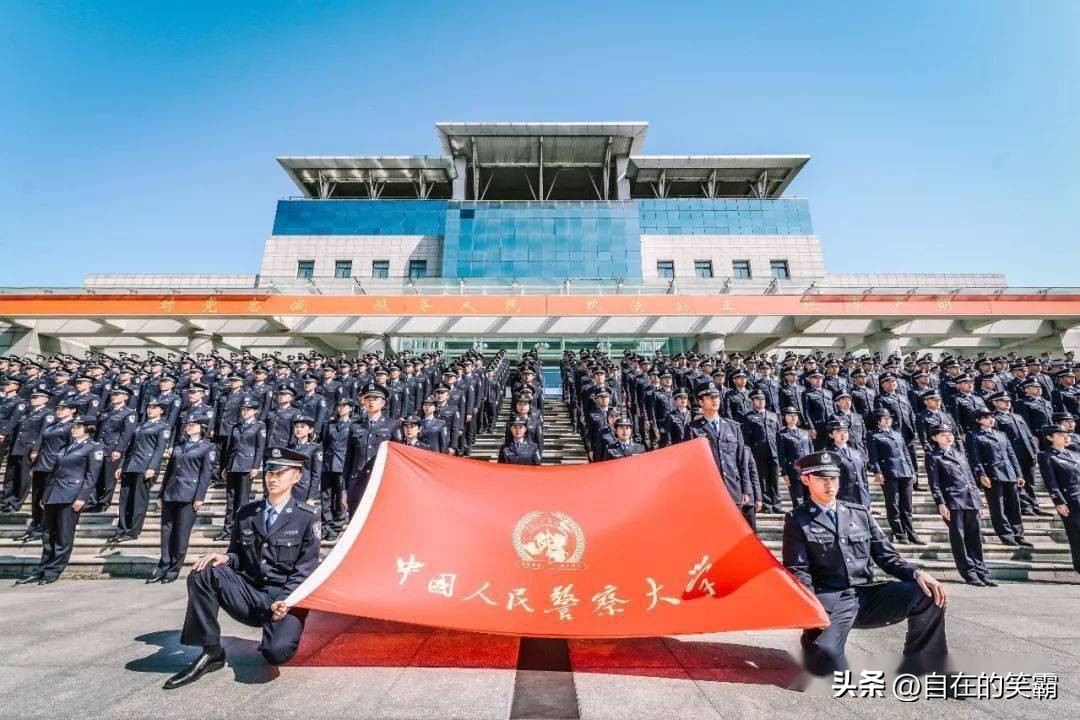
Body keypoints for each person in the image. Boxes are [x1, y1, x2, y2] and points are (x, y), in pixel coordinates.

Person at [163, 447, 320, 689]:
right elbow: (238, 555)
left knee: (276, 653)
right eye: (270, 472)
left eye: (281, 473)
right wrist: (226, 559)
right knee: (204, 571)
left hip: (285, 600)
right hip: (251, 595)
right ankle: (212, 651)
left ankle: (275, 634)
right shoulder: (247, 513)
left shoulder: (307, 517)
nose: (273, 478)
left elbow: (306, 569)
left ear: (296, 477)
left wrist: (287, 601)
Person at [782, 451, 948, 676]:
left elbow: (887, 557)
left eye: (833, 479)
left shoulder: (859, 513)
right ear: (805, 480)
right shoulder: (797, 520)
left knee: (929, 594)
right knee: (828, 672)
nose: (829, 485)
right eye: (822, 479)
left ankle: (923, 666)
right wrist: (813, 611)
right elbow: (798, 570)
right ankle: (813, 639)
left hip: (867, 597)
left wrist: (917, 573)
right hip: (831, 603)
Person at [17, 415, 103, 585]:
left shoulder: (94, 447)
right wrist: (45, 496)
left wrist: (82, 498)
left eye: (78, 427)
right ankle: (42, 568)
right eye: (73, 427)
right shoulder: (66, 446)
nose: (74, 429)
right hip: (54, 494)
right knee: (47, 533)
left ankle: (54, 569)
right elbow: (55, 473)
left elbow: (91, 477)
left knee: (63, 535)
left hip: (71, 495)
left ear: (88, 429)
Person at [151, 412, 215, 583]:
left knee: (181, 534)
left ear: (202, 428)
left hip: (189, 494)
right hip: (171, 493)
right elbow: (169, 471)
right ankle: (163, 565)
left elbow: (206, 473)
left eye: (193, 425)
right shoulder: (180, 445)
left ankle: (173, 569)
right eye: (188, 424)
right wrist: (161, 493)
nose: (189, 427)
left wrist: (199, 496)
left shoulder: (207, 447)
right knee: (166, 532)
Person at [924, 426, 993, 586]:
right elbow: (934, 483)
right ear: (935, 438)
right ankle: (969, 573)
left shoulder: (959, 454)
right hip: (952, 501)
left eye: (950, 435)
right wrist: (940, 503)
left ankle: (981, 571)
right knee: (959, 538)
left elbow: (970, 478)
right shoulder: (933, 456)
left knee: (975, 536)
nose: (949, 437)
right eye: (943, 435)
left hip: (970, 500)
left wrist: (979, 501)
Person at [690, 384, 760, 530]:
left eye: (716, 397)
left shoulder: (733, 427)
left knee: (735, 530)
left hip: (732, 488)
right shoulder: (693, 429)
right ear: (701, 402)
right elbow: (691, 464)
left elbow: (742, 461)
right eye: (709, 398)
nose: (714, 400)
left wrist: (745, 489)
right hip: (709, 490)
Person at [966, 409, 1031, 547]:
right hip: (992, 474)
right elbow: (974, 457)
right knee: (998, 507)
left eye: (992, 417)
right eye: (986, 417)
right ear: (978, 420)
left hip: (1009, 473)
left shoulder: (1001, 434)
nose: (991, 419)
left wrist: (1018, 474)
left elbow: (1011, 455)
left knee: (1014, 506)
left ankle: (1018, 534)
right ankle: (1006, 535)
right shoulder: (974, 435)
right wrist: (981, 475)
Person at [114, 398, 171, 542]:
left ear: (161, 410)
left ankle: (133, 530)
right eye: (149, 407)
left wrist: (152, 467)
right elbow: (129, 447)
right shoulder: (140, 425)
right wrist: (121, 465)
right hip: (130, 465)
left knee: (138, 500)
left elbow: (159, 449)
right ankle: (121, 529)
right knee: (124, 499)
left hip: (144, 466)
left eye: (154, 407)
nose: (150, 410)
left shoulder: (163, 427)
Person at [344, 383, 401, 517]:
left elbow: (397, 458)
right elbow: (349, 459)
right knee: (356, 521)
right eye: (368, 399)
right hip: (357, 483)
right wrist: (344, 490)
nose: (371, 402)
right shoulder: (355, 426)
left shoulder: (392, 426)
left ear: (382, 403)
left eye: (375, 399)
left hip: (380, 482)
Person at [867, 409, 922, 544]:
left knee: (907, 506)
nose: (887, 420)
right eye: (884, 418)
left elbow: (906, 453)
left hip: (905, 472)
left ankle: (911, 533)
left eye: (889, 418)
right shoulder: (874, 435)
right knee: (893, 504)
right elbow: (873, 457)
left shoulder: (897, 434)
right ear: (878, 421)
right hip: (889, 473)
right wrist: (877, 472)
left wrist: (912, 471)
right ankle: (900, 533)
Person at [217, 397, 266, 540]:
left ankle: (240, 528)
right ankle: (227, 529)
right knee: (230, 499)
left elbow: (259, 448)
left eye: (248, 410)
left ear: (255, 411)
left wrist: (256, 466)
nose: (245, 412)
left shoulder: (259, 426)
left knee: (242, 500)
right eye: (243, 410)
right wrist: (226, 466)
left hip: (246, 465)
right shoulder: (237, 426)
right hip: (233, 465)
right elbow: (230, 448)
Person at [1038, 423, 1080, 575]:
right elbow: (1051, 482)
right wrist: (1059, 502)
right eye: (1061, 435)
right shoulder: (1046, 455)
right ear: (1050, 438)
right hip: (1070, 501)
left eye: (1067, 434)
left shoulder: (1075, 454)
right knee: (1076, 536)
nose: (1066, 437)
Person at [778, 406, 813, 508]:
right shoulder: (782, 434)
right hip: (793, 471)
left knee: (810, 497)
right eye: (790, 415)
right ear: (785, 417)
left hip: (808, 470)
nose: (793, 417)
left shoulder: (805, 433)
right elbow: (781, 455)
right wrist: (784, 473)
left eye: (795, 415)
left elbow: (811, 452)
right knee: (798, 498)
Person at [287, 416, 322, 503]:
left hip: (303, 488)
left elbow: (316, 474)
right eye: (297, 427)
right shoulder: (290, 447)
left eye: (302, 427)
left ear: (310, 430)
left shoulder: (315, 448)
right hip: (289, 487)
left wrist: (311, 497)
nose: (299, 429)